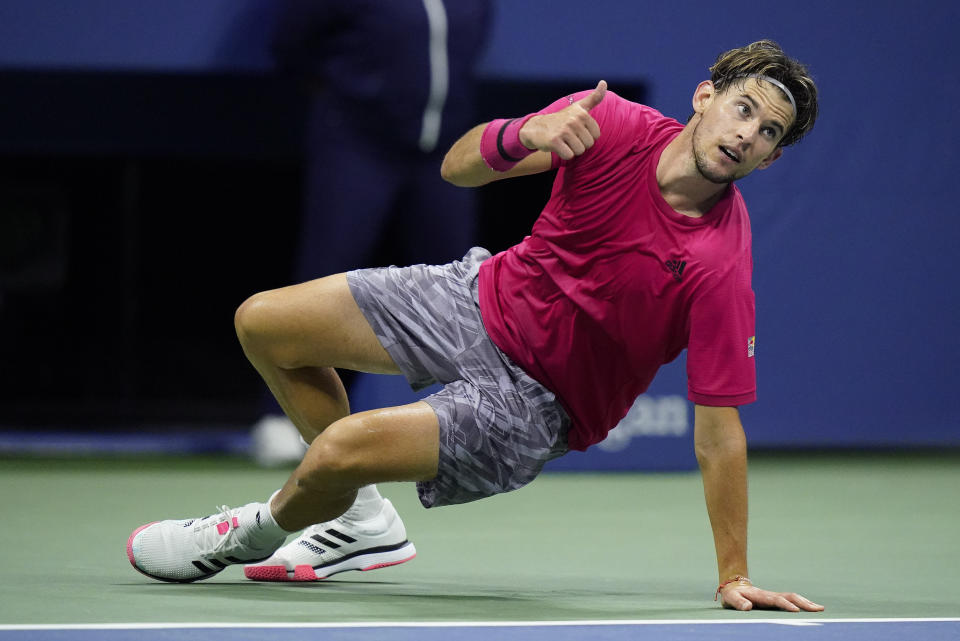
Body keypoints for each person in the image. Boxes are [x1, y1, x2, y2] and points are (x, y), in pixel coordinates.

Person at [127, 40, 824, 612]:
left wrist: (733, 572)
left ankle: (253, 531)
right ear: (705, 96)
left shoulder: (720, 263)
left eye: (767, 133)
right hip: (477, 296)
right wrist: (527, 133)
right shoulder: (606, 122)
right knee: (264, 322)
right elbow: (458, 168)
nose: (745, 134)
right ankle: (362, 521)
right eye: (743, 109)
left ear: (772, 158)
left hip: (538, 403)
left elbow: (718, 430)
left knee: (337, 450)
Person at [250, 0, 491, 465]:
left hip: (444, 147)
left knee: (467, 286)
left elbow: (471, 43)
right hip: (358, 139)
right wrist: (356, 91)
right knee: (325, 273)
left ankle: (481, 420)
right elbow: (291, 44)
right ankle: (282, 419)